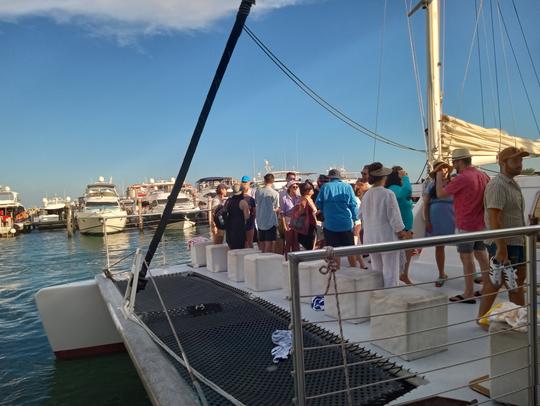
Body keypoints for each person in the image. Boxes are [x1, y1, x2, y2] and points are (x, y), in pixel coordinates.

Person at [478, 147, 528, 319]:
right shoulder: (498, 185)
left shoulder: (511, 183)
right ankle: (522, 320)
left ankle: (485, 317)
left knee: (512, 280)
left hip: (516, 241)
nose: (520, 164)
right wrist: (502, 248)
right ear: (503, 162)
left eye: (521, 160)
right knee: (512, 283)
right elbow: (494, 218)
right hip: (505, 243)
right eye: (515, 160)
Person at [436, 148, 490, 304]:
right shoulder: (483, 175)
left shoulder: (462, 178)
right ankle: (487, 287)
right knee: (481, 255)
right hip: (481, 224)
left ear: (459, 161)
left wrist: (439, 177)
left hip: (465, 224)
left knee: (466, 257)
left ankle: (468, 293)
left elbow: (440, 194)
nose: (454, 165)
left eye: (454, 162)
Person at [361, 162, 408, 287]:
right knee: (391, 272)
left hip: (370, 239)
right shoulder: (387, 194)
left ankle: (379, 297)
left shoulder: (366, 195)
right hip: (386, 239)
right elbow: (395, 219)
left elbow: (361, 216)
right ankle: (390, 299)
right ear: (383, 177)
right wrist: (402, 233)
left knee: (377, 271)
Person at [315, 168, 358, 267]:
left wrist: (326, 209)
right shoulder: (347, 187)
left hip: (330, 225)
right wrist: (355, 219)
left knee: (334, 251)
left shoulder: (325, 187)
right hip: (346, 224)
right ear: (339, 177)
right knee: (350, 250)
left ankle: (336, 273)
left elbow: (318, 203)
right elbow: (353, 205)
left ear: (329, 177)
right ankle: (354, 270)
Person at [423, 161, 455, 287]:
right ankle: (441, 274)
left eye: (445, 168)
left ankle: (471, 272)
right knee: (439, 247)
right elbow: (425, 204)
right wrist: (427, 220)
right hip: (435, 218)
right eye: (440, 169)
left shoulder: (453, 183)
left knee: (463, 245)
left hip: (452, 217)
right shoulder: (431, 185)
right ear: (436, 172)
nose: (443, 171)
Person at [385, 166, 414, 284]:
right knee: (401, 256)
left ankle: (403, 275)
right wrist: (405, 177)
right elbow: (406, 191)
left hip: (406, 228)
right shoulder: (394, 188)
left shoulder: (396, 188)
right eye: (401, 174)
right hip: (401, 230)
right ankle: (399, 277)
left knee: (407, 254)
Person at [255, 173, 280, 253]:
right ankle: (266, 261)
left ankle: (262, 260)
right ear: (273, 181)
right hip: (270, 221)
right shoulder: (275, 193)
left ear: (264, 180)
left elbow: (256, 203)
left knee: (262, 243)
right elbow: (276, 208)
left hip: (260, 221)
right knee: (269, 243)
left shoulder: (258, 191)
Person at [291, 182, 318, 250]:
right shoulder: (304, 199)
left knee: (311, 245)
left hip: (310, 225)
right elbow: (301, 211)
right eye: (311, 189)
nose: (313, 190)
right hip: (307, 227)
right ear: (307, 191)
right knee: (309, 246)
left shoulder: (308, 198)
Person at [225, 184, 250, 250]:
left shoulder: (228, 201)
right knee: (241, 250)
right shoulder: (243, 202)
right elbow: (247, 217)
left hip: (229, 228)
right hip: (239, 229)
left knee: (233, 250)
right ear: (241, 192)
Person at [280, 180, 301, 258]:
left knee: (296, 242)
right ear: (289, 188)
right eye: (294, 187)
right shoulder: (284, 198)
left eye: (297, 187)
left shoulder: (299, 197)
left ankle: (297, 259)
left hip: (297, 221)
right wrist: (284, 225)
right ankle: (287, 260)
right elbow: (282, 213)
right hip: (288, 221)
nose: (295, 188)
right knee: (288, 242)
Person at [241, 177, 256, 248]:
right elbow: (255, 212)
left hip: (243, 223)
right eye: (244, 182)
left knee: (246, 242)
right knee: (249, 242)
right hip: (249, 222)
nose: (245, 184)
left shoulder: (238, 197)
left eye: (245, 182)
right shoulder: (251, 198)